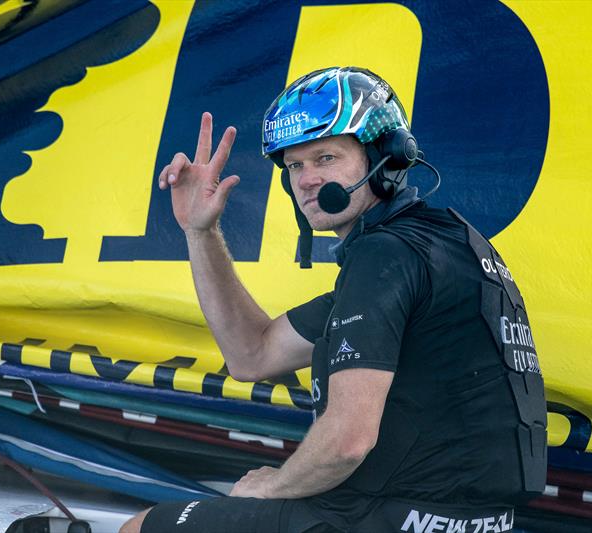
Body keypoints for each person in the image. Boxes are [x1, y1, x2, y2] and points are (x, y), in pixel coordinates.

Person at [121, 67, 546, 533]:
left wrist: (273, 484)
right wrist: (200, 231)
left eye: (325, 158)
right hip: (468, 520)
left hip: (385, 515)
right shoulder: (433, 246)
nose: (305, 180)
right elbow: (253, 354)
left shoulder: (385, 255)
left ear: (386, 157)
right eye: (295, 166)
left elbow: (347, 440)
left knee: (141, 527)